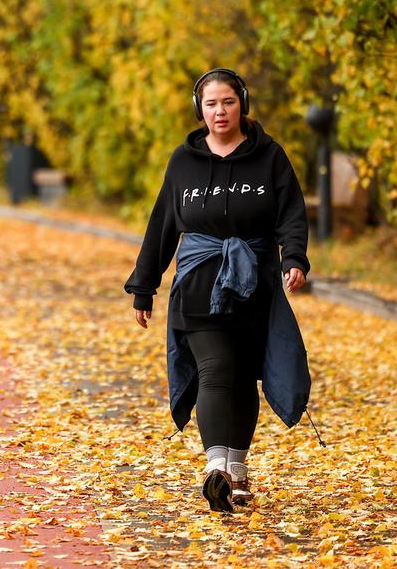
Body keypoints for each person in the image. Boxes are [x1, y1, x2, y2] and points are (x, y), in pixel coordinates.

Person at [125, 68, 311, 513]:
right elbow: (162, 225)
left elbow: (291, 214)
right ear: (199, 109)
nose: (220, 111)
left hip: (253, 284)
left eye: (228, 102)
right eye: (211, 104)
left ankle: (238, 470)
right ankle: (217, 468)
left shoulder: (270, 156)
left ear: (242, 104)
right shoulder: (183, 161)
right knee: (215, 367)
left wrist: (294, 258)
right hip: (197, 284)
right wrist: (144, 286)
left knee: (243, 374)